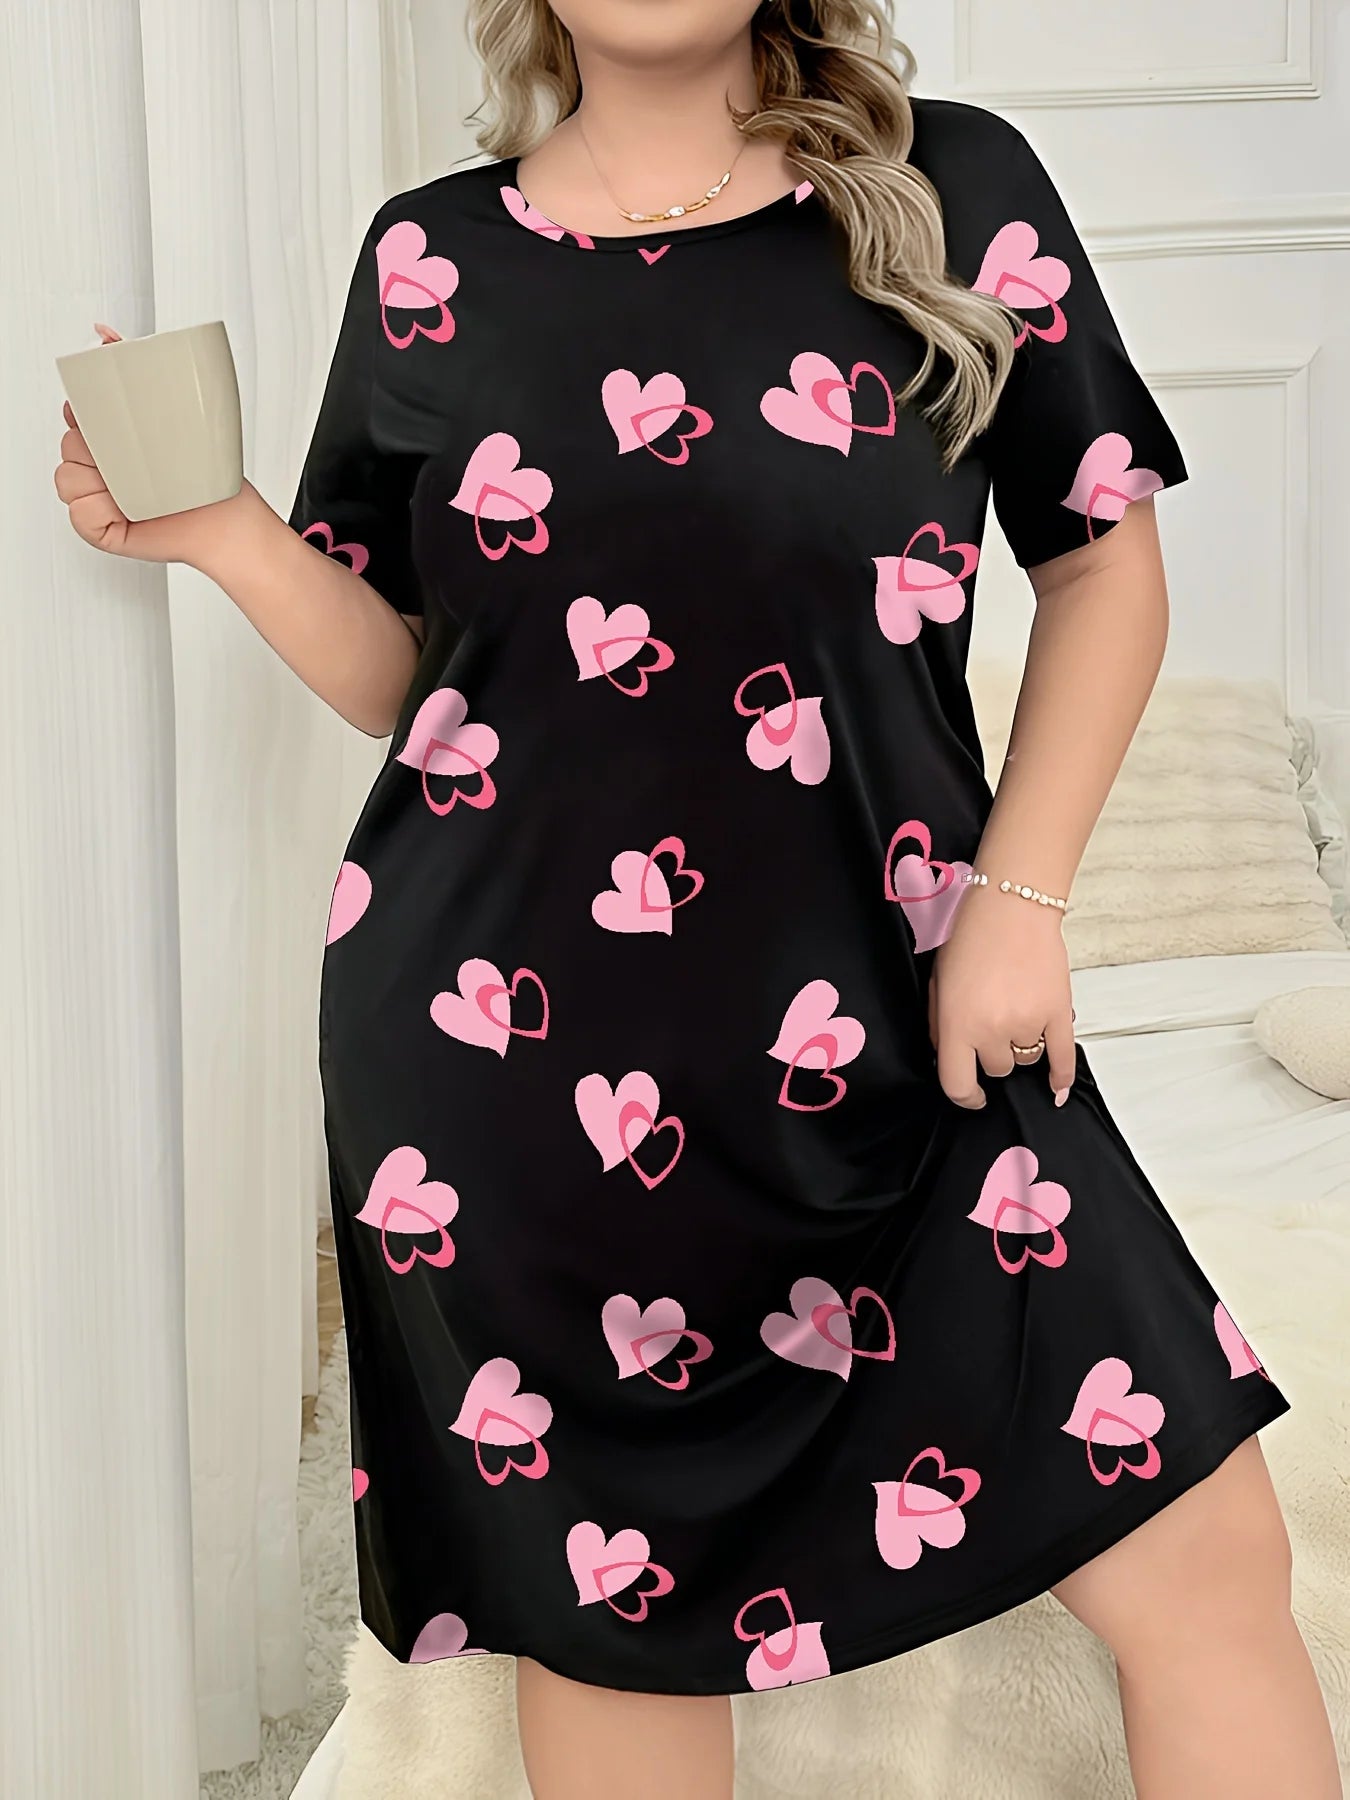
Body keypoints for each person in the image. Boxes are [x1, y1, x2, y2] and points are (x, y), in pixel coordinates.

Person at [55, 3, 1341, 1796]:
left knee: (1203, 1563)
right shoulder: (430, 258)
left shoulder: (953, 186)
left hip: (905, 1024)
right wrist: (216, 531)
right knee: (622, 1625)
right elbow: (416, 678)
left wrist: (1018, 898)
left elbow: (1103, 573)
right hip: (511, 1063)